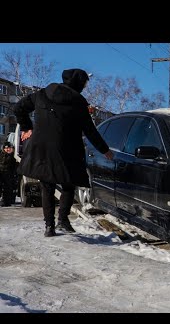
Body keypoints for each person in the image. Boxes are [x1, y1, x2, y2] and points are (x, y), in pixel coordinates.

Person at [14, 68, 114, 237]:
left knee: (47, 186)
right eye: (84, 84)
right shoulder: (79, 102)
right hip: (68, 149)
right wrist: (104, 150)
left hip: (42, 148)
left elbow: (19, 108)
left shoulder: (42, 94)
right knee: (68, 184)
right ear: (78, 83)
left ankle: (49, 227)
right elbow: (90, 130)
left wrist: (26, 128)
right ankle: (63, 220)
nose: (84, 87)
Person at [0, 141, 16, 207]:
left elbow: (15, 166)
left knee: (8, 188)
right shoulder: (1, 154)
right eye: (6, 148)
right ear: (4, 149)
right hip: (1, 173)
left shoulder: (13, 156)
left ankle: (6, 201)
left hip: (9, 174)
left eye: (9, 148)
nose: (8, 149)